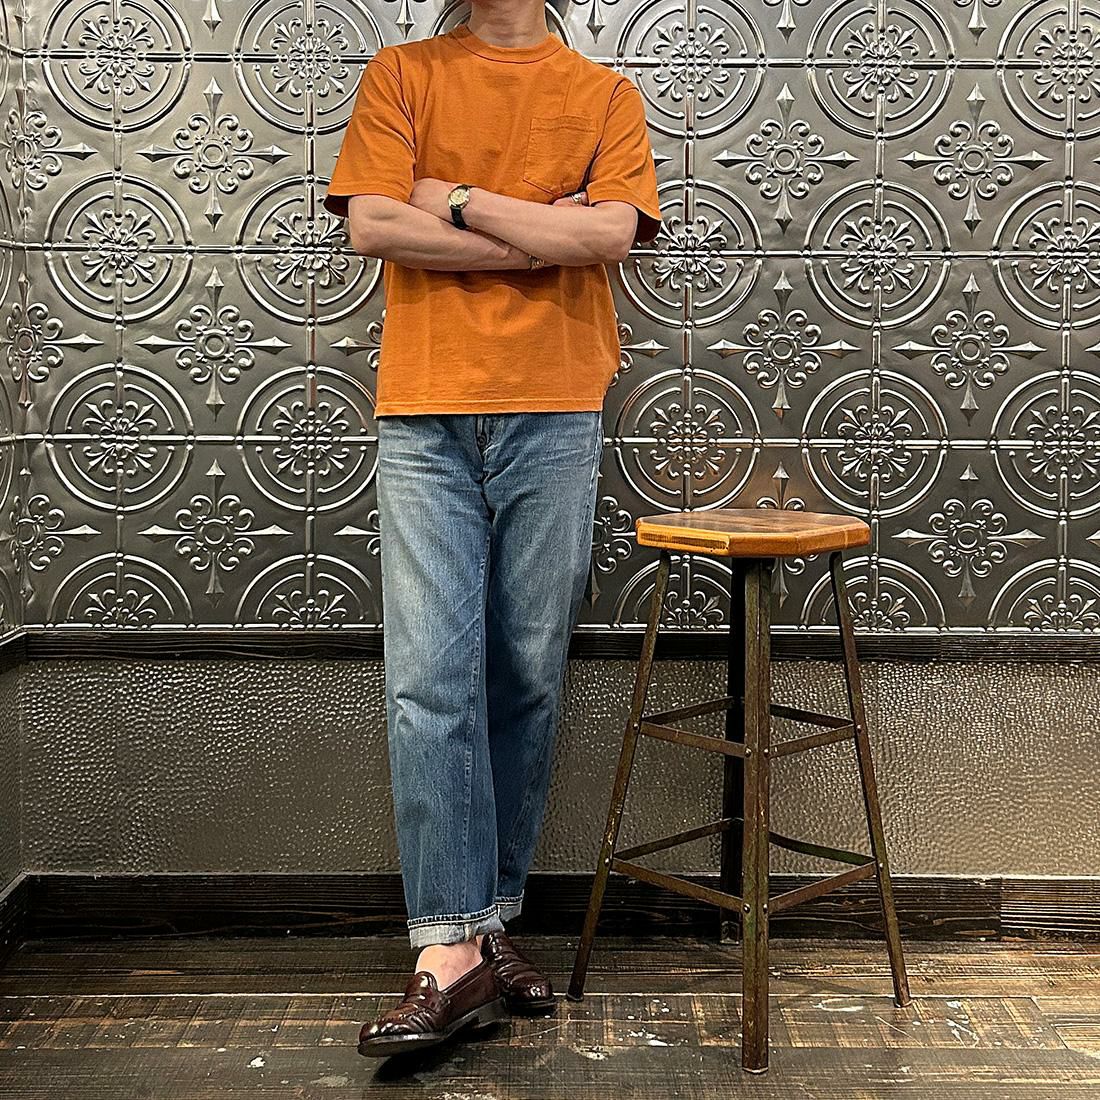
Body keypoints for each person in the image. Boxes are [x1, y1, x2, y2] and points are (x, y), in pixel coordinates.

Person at [322, 0, 662, 1058]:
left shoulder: (603, 94)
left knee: (524, 673)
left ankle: (486, 921)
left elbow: (608, 236)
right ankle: (445, 948)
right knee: (430, 678)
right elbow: (374, 226)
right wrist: (535, 237)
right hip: (424, 409)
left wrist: (459, 200)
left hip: (556, 405)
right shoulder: (403, 73)